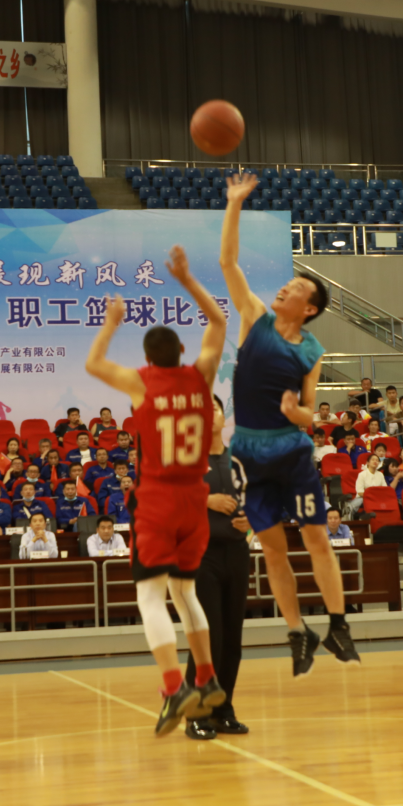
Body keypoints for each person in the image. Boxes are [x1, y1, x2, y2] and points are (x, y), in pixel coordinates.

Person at [86, 243, 229, 734]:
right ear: (182, 352)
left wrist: (112, 323)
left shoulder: (141, 383)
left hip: (158, 499)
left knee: (150, 597)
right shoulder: (201, 376)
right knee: (185, 594)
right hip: (194, 498)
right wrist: (186, 280)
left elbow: (94, 364)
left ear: (147, 358)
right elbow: (219, 322)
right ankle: (206, 678)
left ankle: (173, 688)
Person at [183, 394, 252, 740]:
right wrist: (205, 499)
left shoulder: (237, 461)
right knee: (208, 638)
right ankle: (196, 714)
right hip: (201, 557)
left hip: (237, 554)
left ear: (224, 418)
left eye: (214, 408)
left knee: (232, 639)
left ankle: (223, 710)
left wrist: (250, 521)